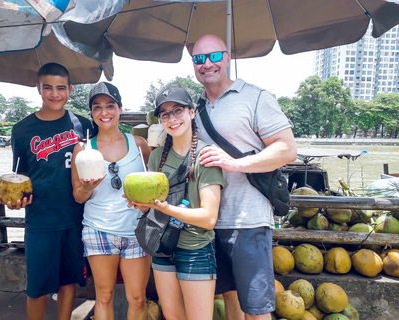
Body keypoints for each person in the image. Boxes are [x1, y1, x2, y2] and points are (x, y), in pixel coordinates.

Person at [191, 34, 297, 320]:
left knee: (256, 306)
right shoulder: (194, 109)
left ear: (227, 58)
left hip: (248, 220)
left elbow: (287, 149)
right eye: (199, 59)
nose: (207, 64)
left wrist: (235, 164)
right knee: (229, 297)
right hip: (209, 221)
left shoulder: (255, 97)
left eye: (214, 56)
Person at [0, 62, 93, 320]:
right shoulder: (21, 130)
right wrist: (13, 200)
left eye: (61, 88)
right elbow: (18, 177)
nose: (55, 94)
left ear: (70, 90)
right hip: (39, 219)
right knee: (37, 286)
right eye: (48, 87)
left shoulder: (84, 126)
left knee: (67, 281)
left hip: (76, 218)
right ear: (38, 88)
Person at [128, 87, 223, 320]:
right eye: (165, 114)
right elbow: (150, 207)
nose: (172, 119)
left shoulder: (205, 157)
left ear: (191, 113)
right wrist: (140, 203)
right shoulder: (156, 156)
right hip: (162, 245)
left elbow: (209, 219)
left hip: (195, 248)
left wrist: (167, 209)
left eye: (178, 111)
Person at [71, 82, 151, 320]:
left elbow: (152, 185)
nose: (104, 112)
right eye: (97, 107)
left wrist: (146, 203)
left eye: (110, 106)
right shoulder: (82, 149)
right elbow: (77, 196)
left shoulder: (138, 145)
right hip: (98, 229)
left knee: (137, 298)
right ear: (92, 114)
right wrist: (87, 188)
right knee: (103, 296)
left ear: (120, 109)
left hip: (136, 230)